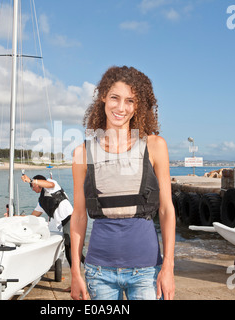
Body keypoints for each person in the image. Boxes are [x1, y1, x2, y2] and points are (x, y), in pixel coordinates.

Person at [70, 66, 176, 300]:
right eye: (115, 98)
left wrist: (168, 267)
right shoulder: (82, 153)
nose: (121, 107)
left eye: (130, 101)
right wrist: (75, 271)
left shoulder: (155, 146)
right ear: (103, 97)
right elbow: (78, 216)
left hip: (147, 272)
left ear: (138, 105)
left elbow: (167, 209)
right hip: (98, 272)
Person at [21, 174, 77, 269]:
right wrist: (18, 217)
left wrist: (31, 180)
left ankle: (87, 276)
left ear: (37, 183)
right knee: (69, 253)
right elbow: (33, 216)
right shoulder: (42, 201)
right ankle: (78, 278)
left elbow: (50, 184)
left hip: (71, 220)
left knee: (73, 252)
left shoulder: (51, 186)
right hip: (63, 224)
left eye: (32, 186)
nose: (33, 189)